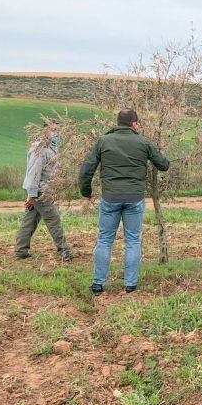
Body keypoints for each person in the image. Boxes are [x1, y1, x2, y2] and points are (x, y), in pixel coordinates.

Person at [78, 109, 169, 295]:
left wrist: (86, 191)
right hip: (134, 198)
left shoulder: (103, 141)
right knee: (133, 240)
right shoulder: (143, 142)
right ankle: (130, 285)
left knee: (104, 240)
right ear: (134, 123)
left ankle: (98, 284)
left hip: (110, 198)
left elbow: (86, 169)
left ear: (117, 122)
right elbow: (164, 165)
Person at [15, 126, 72, 261]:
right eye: (55, 130)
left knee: (30, 220)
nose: (57, 133)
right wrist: (32, 194)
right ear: (45, 131)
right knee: (53, 219)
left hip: (43, 190)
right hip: (39, 191)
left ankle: (21, 251)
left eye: (59, 130)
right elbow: (34, 173)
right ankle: (64, 250)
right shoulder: (40, 148)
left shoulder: (52, 147)